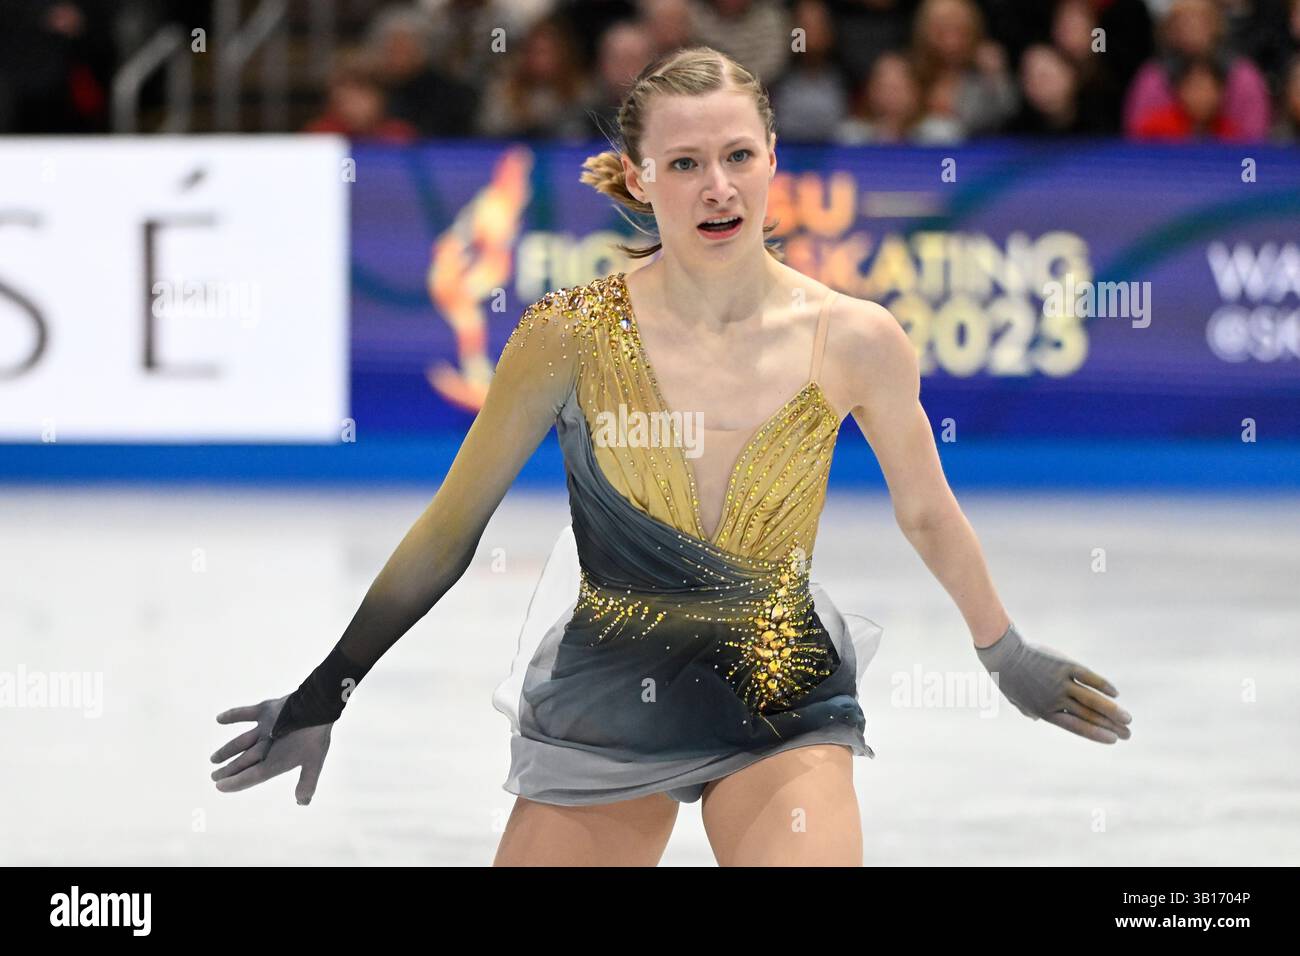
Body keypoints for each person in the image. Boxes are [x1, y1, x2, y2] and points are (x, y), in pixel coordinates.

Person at [211, 45, 1133, 867]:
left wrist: (1002, 652)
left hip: (782, 692)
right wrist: (328, 687)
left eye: (738, 156)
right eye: (685, 164)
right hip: (611, 690)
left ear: (774, 162)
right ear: (640, 178)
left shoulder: (855, 339)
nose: (717, 186)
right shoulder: (565, 336)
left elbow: (927, 511)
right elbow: (452, 528)